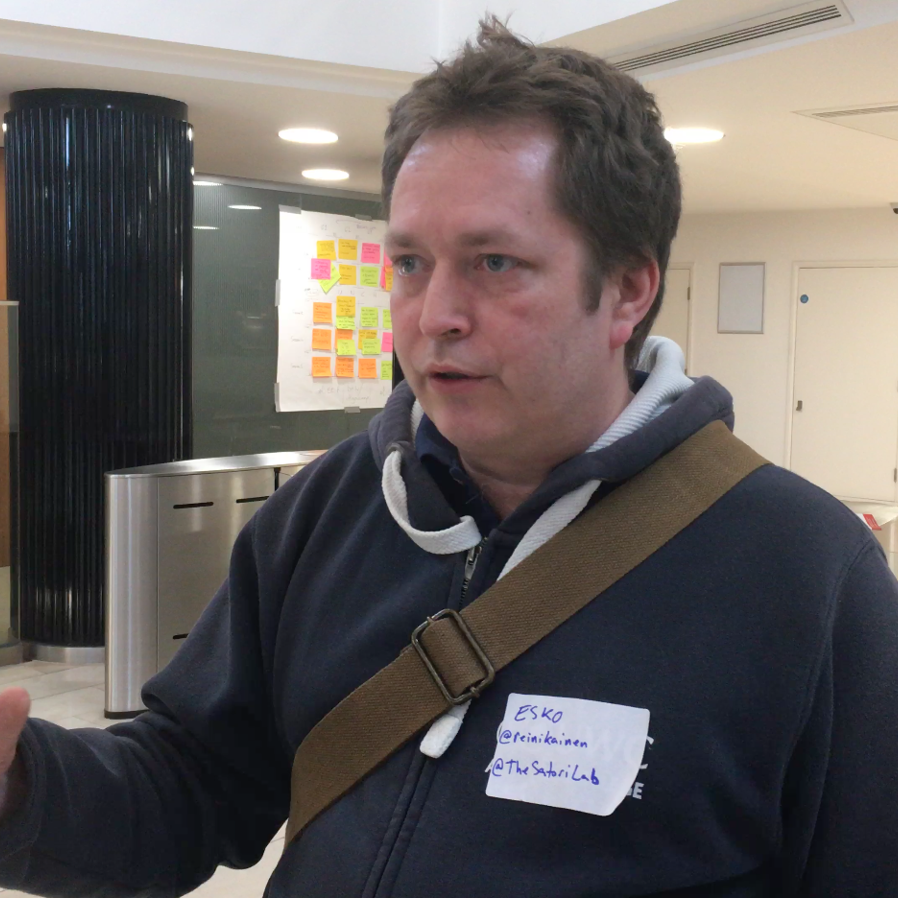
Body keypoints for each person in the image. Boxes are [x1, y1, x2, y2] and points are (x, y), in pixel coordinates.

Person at [1, 18, 896, 898]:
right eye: (409, 263)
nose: (434, 316)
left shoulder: (809, 575)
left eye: (494, 262)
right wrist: (16, 781)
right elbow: (189, 783)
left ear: (627, 289)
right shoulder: (327, 509)